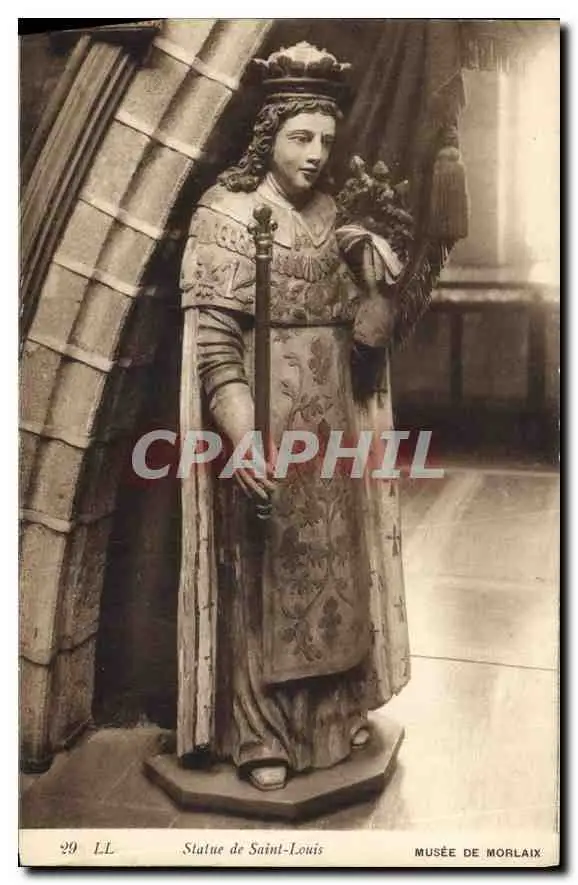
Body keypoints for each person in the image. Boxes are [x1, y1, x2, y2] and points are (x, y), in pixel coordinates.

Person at [178, 42, 410, 792]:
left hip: (331, 434)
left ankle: (333, 714)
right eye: (300, 137)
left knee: (334, 570)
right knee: (264, 576)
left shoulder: (336, 218)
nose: (315, 155)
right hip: (265, 427)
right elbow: (216, 349)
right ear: (268, 134)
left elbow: (365, 337)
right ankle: (261, 733)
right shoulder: (225, 214)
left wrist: (373, 283)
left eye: (325, 141)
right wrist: (243, 442)